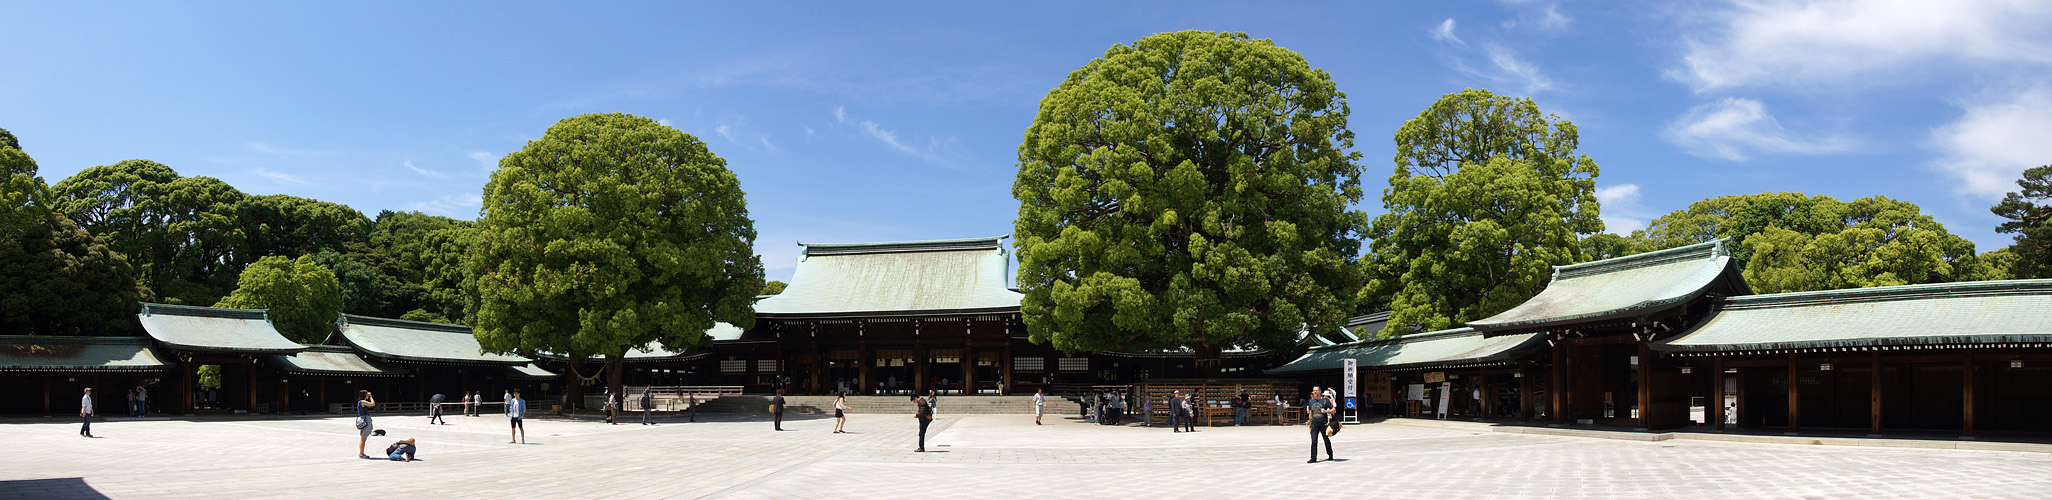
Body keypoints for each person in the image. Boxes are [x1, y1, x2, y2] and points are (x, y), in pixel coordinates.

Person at [1307, 386, 1334, 463]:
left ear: (1320, 391)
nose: (1315, 392)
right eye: (1314, 391)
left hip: (1323, 423)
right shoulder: (1311, 402)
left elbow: (1334, 410)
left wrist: (1326, 411)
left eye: (1316, 390)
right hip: (1314, 424)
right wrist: (1310, 425)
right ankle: (1313, 457)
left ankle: (1330, 454)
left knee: (1326, 439)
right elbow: (1311, 414)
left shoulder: (1325, 401)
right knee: (1314, 441)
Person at [355, 390, 377, 458]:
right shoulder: (362, 401)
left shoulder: (360, 402)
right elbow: (372, 404)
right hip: (366, 420)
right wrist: (371, 397)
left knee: (364, 438)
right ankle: (361, 454)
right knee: (363, 438)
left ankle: (362, 453)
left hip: (364, 419)